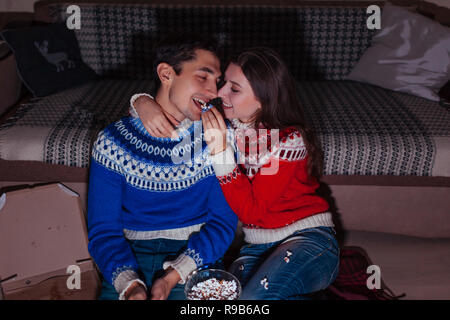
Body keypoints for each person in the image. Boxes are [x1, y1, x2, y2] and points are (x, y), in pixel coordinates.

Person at [130, 47, 339, 300]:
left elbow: (252, 212)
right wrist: (141, 102)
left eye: (234, 88)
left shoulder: (288, 141)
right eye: (224, 83)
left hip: (308, 240)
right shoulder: (226, 127)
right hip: (255, 247)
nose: (220, 93)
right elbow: (175, 118)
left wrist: (220, 152)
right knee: (222, 297)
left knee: (250, 301)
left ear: (264, 97)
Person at [87, 34, 238, 300]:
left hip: (197, 255)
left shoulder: (216, 136)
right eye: (203, 77)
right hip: (128, 256)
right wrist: (130, 284)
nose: (214, 92)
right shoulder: (113, 142)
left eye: (217, 81)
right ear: (166, 74)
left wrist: (173, 276)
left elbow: (223, 223)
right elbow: (103, 231)